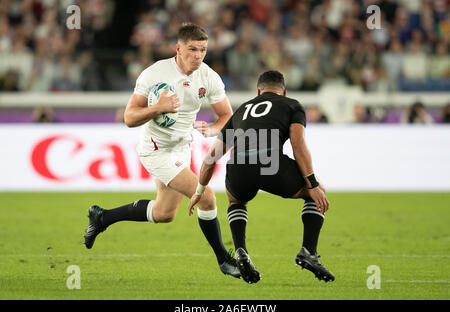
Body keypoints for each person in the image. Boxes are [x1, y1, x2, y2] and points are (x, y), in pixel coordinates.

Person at [83, 23, 240, 278]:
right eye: (192, 49)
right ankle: (224, 260)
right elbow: (130, 117)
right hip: (155, 150)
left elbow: (226, 116)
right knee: (207, 196)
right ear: (178, 48)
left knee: (164, 214)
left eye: (202, 50)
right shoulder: (154, 74)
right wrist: (158, 108)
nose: (198, 55)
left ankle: (103, 218)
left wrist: (212, 129)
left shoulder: (208, 76)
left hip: (182, 147)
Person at [188, 70, 334, 284]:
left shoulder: (241, 110)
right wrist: (312, 183)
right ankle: (308, 252)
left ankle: (240, 250)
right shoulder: (292, 105)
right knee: (317, 192)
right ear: (283, 92)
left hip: (239, 166)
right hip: (271, 163)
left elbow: (211, 158)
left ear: (258, 91)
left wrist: (198, 191)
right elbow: (298, 145)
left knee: (236, 200)